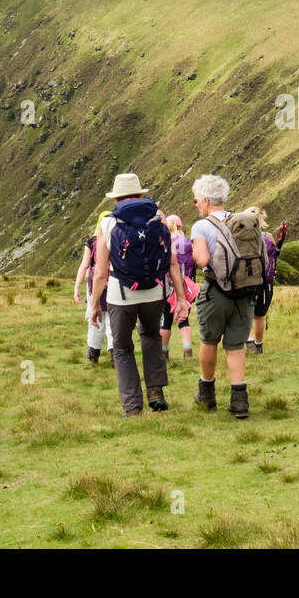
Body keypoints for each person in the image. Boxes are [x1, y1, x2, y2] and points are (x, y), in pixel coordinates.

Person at [90, 174, 190, 417]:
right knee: (152, 337)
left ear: (117, 197)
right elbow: (172, 262)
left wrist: (95, 305)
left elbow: (101, 271)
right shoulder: (159, 217)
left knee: (123, 348)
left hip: (121, 296)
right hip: (154, 293)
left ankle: (132, 406)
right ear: (139, 194)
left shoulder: (108, 223)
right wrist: (181, 297)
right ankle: (156, 395)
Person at [190, 175, 266, 418]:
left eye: (196, 201)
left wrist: (193, 252)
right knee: (235, 346)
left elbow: (202, 260)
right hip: (245, 292)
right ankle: (239, 401)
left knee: (209, 340)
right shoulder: (244, 221)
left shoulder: (201, 226)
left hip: (216, 292)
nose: (196, 205)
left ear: (206, 199)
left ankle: (207, 393)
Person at [247, 214, 288, 355]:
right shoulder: (268, 236)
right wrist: (280, 242)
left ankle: (250, 340)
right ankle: (258, 345)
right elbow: (275, 256)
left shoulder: (243, 238)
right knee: (259, 315)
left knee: (245, 313)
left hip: (248, 281)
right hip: (267, 283)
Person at [75, 210, 112, 365]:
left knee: (95, 319)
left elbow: (85, 265)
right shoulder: (116, 239)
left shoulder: (91, 242)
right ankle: (116, 356)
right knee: (113, 321)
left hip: (94, 286)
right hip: (113, 285)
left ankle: (93, 355)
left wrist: (76, 286)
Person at [161, 214, 196, 360]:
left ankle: (163, 353)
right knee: (184, 319)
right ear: (180, 226)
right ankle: (187, 350)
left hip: (168, 285)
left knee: (166, 321)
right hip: (185, 286)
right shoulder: (188, 243)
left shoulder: (166, 242)